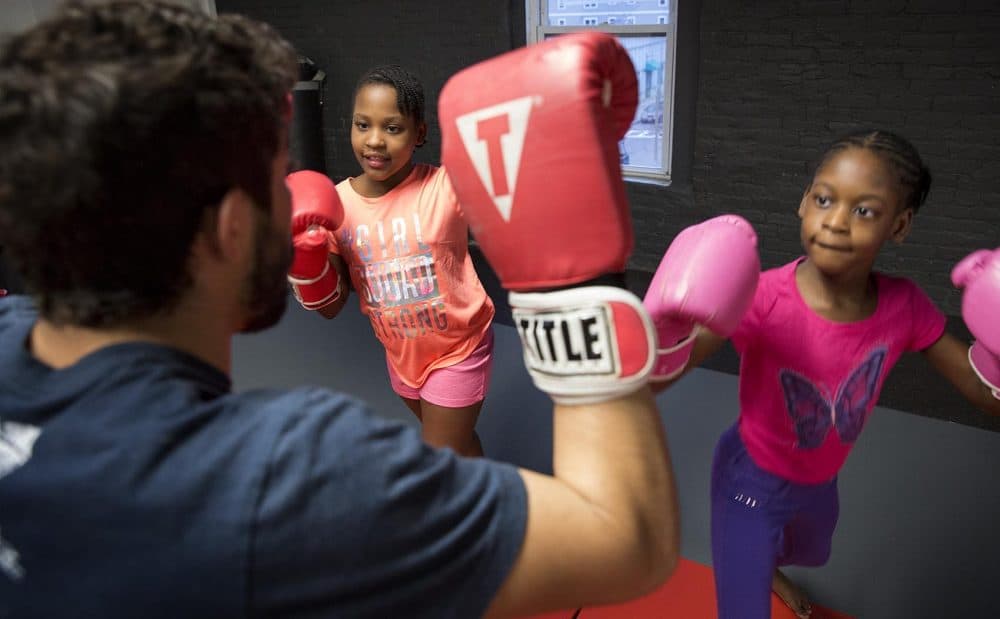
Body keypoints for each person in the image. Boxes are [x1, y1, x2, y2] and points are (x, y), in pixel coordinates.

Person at [0, 3, 679, 618]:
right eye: (278, 180)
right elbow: (629, 542)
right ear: (234, 226)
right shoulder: (293, 474)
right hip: (406, 356)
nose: (299, 196)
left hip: (449, 346)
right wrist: (576, 290)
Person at [643, 129, 1000, 618]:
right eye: (824, 198)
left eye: (865, 210)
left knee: (812, 551)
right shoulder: (761, 296)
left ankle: (766, 565)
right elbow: (657, 381)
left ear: (899, 225)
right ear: (803, 202)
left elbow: (984, 394)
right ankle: (751, 565)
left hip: (820, 480)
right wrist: (665, 331)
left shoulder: (905, 307)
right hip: (747, 482)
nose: (835, 221)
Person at [293, 64, 495, 458]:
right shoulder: (335, 204)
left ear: (419, 133)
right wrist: (305, 261)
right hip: (401, 353)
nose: (374, 141)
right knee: (458, 442)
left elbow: (503, 169)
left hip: (459, 347)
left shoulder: (445, 186)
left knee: (441, 454)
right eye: (362, 125)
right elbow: (331, 305)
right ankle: (486, 491)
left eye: (392, 128)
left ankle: (468, 514)